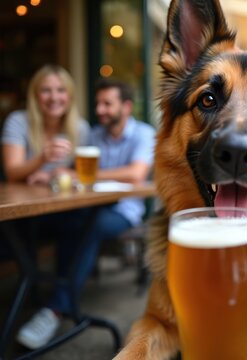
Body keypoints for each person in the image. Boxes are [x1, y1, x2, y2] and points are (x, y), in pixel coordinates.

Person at [14, 78, 156, 349]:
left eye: (107, 104)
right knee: (68, 221)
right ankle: (47, 289)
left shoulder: (143, 134)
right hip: (89, 206)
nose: (100, 110)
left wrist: (78, 173)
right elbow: (72, 170)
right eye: (98, 103)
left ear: (126, 107)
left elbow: (135, 173)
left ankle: (55, 308)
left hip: (124, 211)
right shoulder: (93, 135)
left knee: (91, 225)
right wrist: (50, 174)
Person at [1, 65, 89, 183]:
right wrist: (42, 158)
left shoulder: (80, 127)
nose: (54, 97)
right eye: (46, 90)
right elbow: (11, 173)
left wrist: (51, 176)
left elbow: (80, 174)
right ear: (35, 96)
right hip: (21, 197)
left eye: (61, 90)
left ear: (70, 96)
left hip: (62, 197)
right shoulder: (18, 121)